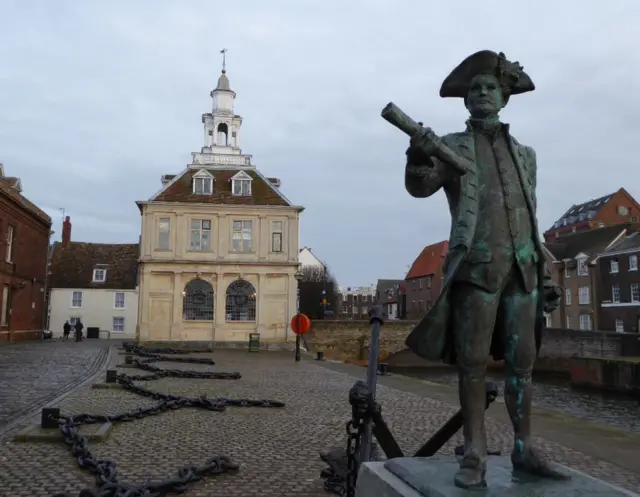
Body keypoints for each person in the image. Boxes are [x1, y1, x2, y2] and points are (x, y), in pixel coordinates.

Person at [402, 50, 564, 489]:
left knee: (523, 365)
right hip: (477, 268)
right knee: (472, 365)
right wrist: (416, 156)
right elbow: (421, 186)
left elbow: (531, 215)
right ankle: (473, 452)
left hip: (523, 270)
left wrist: (546, 275)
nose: (482, 94)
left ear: (505, 97)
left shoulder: (525, 154)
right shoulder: (452, 147)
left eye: (491, 87)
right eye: (475, 89)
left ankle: (524, 447)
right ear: (466, 99)